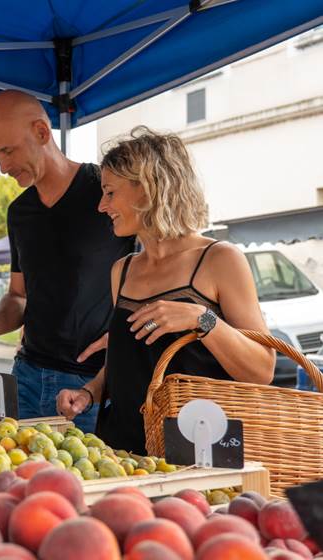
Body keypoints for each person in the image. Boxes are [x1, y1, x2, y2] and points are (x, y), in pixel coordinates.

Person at [56, 126, 275, 454]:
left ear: (146, 190)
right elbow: (131, 361)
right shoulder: (123, 270)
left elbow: (262, 370)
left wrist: (202, 319)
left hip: (198, 452)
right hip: (122, 449)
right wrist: (90, 391)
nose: (102, 206)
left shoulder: (219, 260)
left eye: (110, 192)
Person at [0, 90, 134, 431]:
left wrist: (127, 335)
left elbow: (153, 280)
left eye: (7, 151)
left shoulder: (107, 193)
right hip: (26, 379)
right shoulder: (19, 213)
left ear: (42, 132)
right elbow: (18, 296)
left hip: (92, 388)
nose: (2, 167)